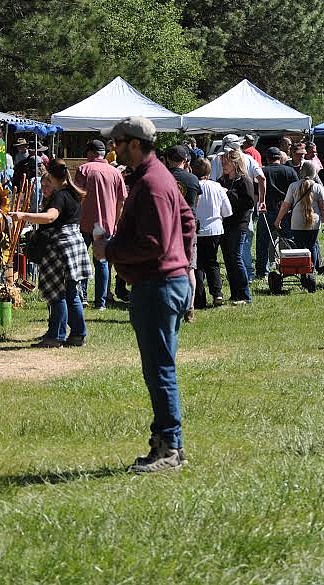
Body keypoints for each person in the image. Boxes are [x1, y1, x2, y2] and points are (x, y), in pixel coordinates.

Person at [94, 116, 195, 473]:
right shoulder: (159, 178)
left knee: (160, 370)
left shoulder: (152, 183)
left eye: (118, 141)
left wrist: (110, 251)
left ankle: (169, 450)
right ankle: (167, 445)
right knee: (160, 368)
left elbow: (152, 244)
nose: (113, 147)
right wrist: (185, 264)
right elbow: (187, 222)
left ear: (134, 143)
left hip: (158, 287)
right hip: (169, 283)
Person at [10, 161, 91, 348]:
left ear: (54, 178)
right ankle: (78, 334)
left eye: (47, 181)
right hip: (74, 244)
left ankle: (56, 336)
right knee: (72, 293)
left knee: (57, 293)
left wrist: (23, 215)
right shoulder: (72, 193)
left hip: (60, 247)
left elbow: (51, 217)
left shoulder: (60, 196)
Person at [75, 139, 127, 311]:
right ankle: (101, 302)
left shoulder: (84, 169)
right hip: (106, 223)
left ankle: (82, 296)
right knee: (102, 262)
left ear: (90, 153)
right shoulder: (115, 172)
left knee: (81, 260)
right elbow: (121, 201)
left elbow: (78, 196)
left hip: (85, 221)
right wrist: (116, 222)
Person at [275, 163, 324, 275]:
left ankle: (302, 270)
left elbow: (285, 206)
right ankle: (311, 271)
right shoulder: (318, 187)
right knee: (312, 245)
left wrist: (278, 220)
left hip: (296, 221)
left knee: (299, 247)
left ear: (301, 172)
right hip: (314, 222)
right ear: (314, 173)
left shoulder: (293, 186)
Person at [165, 145, 201, 319]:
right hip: (188, 226)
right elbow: (197, 205)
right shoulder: (193, 179)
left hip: (167, 227)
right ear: (186, 160)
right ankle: (190, 307)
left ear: (167, 160)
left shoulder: (162, 178)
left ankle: (169, 306)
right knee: (189, 269)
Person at [192, 157, 232, 308]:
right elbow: (227, 211)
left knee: (197, 265)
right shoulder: (217, 187)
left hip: (198, 229)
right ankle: (217, 293)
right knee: (212, 262)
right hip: (215, 229)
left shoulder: (193, 186)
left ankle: (199, 298)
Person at [218, 148, 256, 305]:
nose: (223, 165)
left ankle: (244, 295)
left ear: (234, 163)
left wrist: (230, 195)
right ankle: (235, 293)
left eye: (226, 162)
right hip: (225, 223)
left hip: (239, 223)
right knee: (228, 259)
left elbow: (249, 203)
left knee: (236, 257)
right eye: (222, 163)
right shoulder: (222, 180)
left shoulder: (244, 180)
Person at [258, 147, 298, 277]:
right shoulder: (290, 171)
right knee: (288, 240)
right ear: (280, 158)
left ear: (268, 158)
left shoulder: (263, 171)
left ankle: (262, 271)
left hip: (267, 210)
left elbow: (256, 192)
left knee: (263, 242)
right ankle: (291, 267)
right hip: (285, 211)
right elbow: (296, 192)